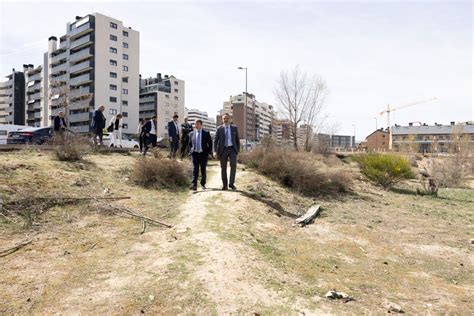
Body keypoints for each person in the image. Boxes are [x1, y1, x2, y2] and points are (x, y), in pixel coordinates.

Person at [214, 113, 240, 190]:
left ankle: (231, 184)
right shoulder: (219, 129)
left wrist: (237, 150)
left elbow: (237, 140)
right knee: (223, 168)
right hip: (223, 150)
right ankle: (225, 185)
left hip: (232, 149)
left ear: (230, 119)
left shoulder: (234, 128)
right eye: (224, 118)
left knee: (233, 165)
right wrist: (215, 151)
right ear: (222, 120)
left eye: (227, 118)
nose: (225, 120)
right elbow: (215, 141)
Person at [188, 120, 213, 191]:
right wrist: (190, 151)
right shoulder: (191, 134)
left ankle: (203, 184)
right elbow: (189, 144)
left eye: (198, 124)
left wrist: (208, 152)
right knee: (195, 169)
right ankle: (194, 185)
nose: (196, 125)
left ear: (201, 125)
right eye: (195, 124)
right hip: (195, 154)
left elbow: (210, 144)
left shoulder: (206, 133)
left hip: (203, 154)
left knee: (203, 169)